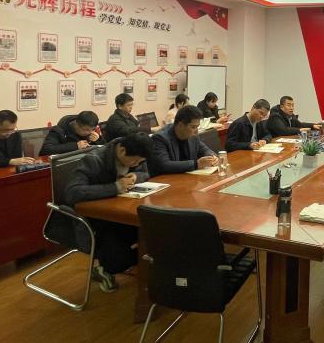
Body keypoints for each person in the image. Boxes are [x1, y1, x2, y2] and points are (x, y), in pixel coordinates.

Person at [63, 134, 153, 292]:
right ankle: (105, 268)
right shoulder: (94, 160)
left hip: (123, 209)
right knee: (122, 253)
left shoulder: (135, 154)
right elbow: (72, 192)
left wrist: (136, 176)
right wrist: (115, 187)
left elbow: (145, 173)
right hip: (98, 219)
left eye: (140, 162)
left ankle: (144, 266)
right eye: (135, 161)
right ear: (122, 150)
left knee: (152, 233)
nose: (137, 164)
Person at [148, 105, 219, 175]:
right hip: (167, 179)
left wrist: (212, 157)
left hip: (188, 177)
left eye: (197, 126)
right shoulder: (160, 138)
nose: (196, 131)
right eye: (193, 127)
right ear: (180, 125)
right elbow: (164, 165)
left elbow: (204, 149)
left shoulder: (193, 136)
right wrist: (196, 164)